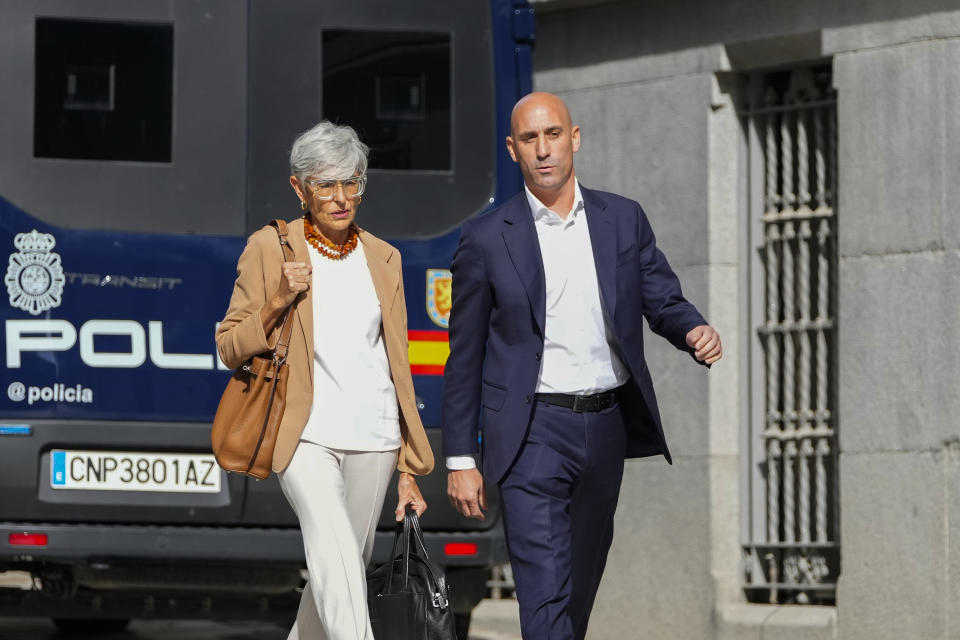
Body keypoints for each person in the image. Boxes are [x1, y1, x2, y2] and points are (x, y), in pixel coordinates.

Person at [441, 92, 722, 640]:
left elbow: (659, 295)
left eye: (552, 135)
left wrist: (692, 329)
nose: (543, 150)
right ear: (513, 149)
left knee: (577, 594)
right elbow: (465, 353)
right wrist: (459, 458)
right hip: (531, 432)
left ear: (575, 137)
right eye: (529, 139)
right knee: (543, 595)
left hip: (606, 427)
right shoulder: (485, 238)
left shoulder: (622, 217)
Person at [216, 121, 434, 640]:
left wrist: (408, 465)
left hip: (374, 437)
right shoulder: (271, 248)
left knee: (339, 575)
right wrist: (276, 302)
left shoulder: (385, 257)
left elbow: (396, 363)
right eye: (325, 184)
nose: (340, 198)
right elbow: (228, 346)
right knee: (336, 554)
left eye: (351, 182)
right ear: (300, 188)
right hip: (302, 433)